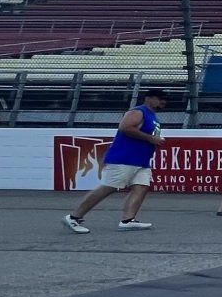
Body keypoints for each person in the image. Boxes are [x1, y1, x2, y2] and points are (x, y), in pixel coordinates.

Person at [64, 87, 168, 233]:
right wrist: (150, 138)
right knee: (109, 187)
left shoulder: (153, 116)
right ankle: (74, 217)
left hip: (140, 160)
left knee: (141, 186)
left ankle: (128, 220)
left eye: (164, 99)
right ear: (148, 98)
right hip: (124, 158)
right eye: (160, 98)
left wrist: (153, 140)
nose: (163, 101)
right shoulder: (138, 112)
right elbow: (125, 127)